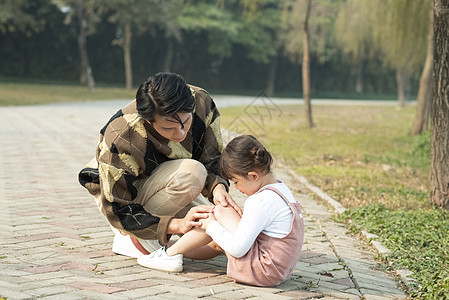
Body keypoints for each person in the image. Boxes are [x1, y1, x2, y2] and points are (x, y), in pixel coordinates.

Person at [78, 72, 242, 259]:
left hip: (170, 183)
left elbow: (212, 156)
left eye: (186, 122)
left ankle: (152, 238)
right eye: (168, 128)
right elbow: (118, 209)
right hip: (122, 198)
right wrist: (177, 225)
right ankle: (131, 237)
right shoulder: (122, 135)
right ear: (148, 120)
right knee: (193, 172)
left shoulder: (202, 102)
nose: (180, 134)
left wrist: (218, 188)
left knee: (224, 231)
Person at [138, 135, 305, 287]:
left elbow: (237, 249)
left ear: (253, 176)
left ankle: (168, 254)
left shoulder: (260, 201)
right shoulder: (281, 189)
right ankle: (168, 251)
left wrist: (211, 225)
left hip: (261, 271)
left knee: (217, 214)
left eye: (236, 181)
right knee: (218, 240)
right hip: (276, 271)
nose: (237, 188)